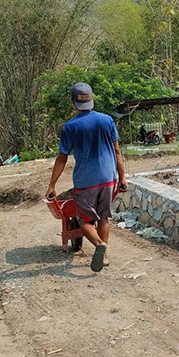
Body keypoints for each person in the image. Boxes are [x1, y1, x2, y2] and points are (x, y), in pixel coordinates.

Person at [46, 82, 127, 273]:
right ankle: (104, 257)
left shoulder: (70, 127)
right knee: (104, 217)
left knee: (85, 221)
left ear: (74, 103)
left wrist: (52, 185)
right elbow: (117, 151)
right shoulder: (107, 120)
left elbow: (62, 158)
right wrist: (122, 178)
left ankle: (100, 245)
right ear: (91, 99)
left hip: (85, 181)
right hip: (108, 177)